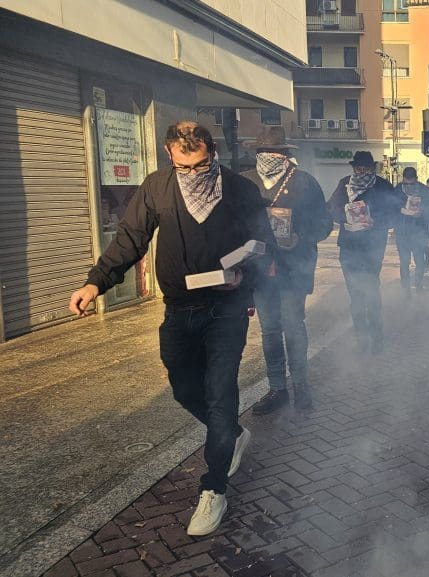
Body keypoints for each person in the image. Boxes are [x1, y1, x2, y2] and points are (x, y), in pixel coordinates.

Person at [69, 121, 276, 536]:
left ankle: (214, 488)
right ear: (169, 154)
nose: (194, 174)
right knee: (184, 389)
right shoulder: (156, 187)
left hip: (226, 308)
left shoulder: (240, 189)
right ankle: (232, 434)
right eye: (185, 167)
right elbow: (130, 238)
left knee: (220, 393)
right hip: (179, 308)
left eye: (201, 165)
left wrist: (245, 276)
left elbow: (263, 244)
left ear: (212, 152)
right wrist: (96, 282)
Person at [240, 127, 333, 415]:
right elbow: (233, 224)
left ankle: (301, 385)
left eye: (276, 152)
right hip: (259, 270)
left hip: (294, 269)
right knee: (269, 331)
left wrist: (300, 238)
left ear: (285, 154)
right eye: (264, 152)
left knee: (293, 326)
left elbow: (324, 224)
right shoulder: (245, 182)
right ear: (256, 154)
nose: (270, 157)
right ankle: (277, 388)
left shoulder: (304, 182)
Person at [327, 151, 401, 354]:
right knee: (355, 294)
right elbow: (331, 208)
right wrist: (345, 217)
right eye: (357, 168)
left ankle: (376, 338)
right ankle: (361, 339)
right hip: (349, 245)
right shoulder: (344, 184)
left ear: (372, 168)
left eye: (365, 168)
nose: (361, 172)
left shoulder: (383, 186)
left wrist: (376, 221)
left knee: (371, 290)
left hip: (372, 246)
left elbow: (395, 213)